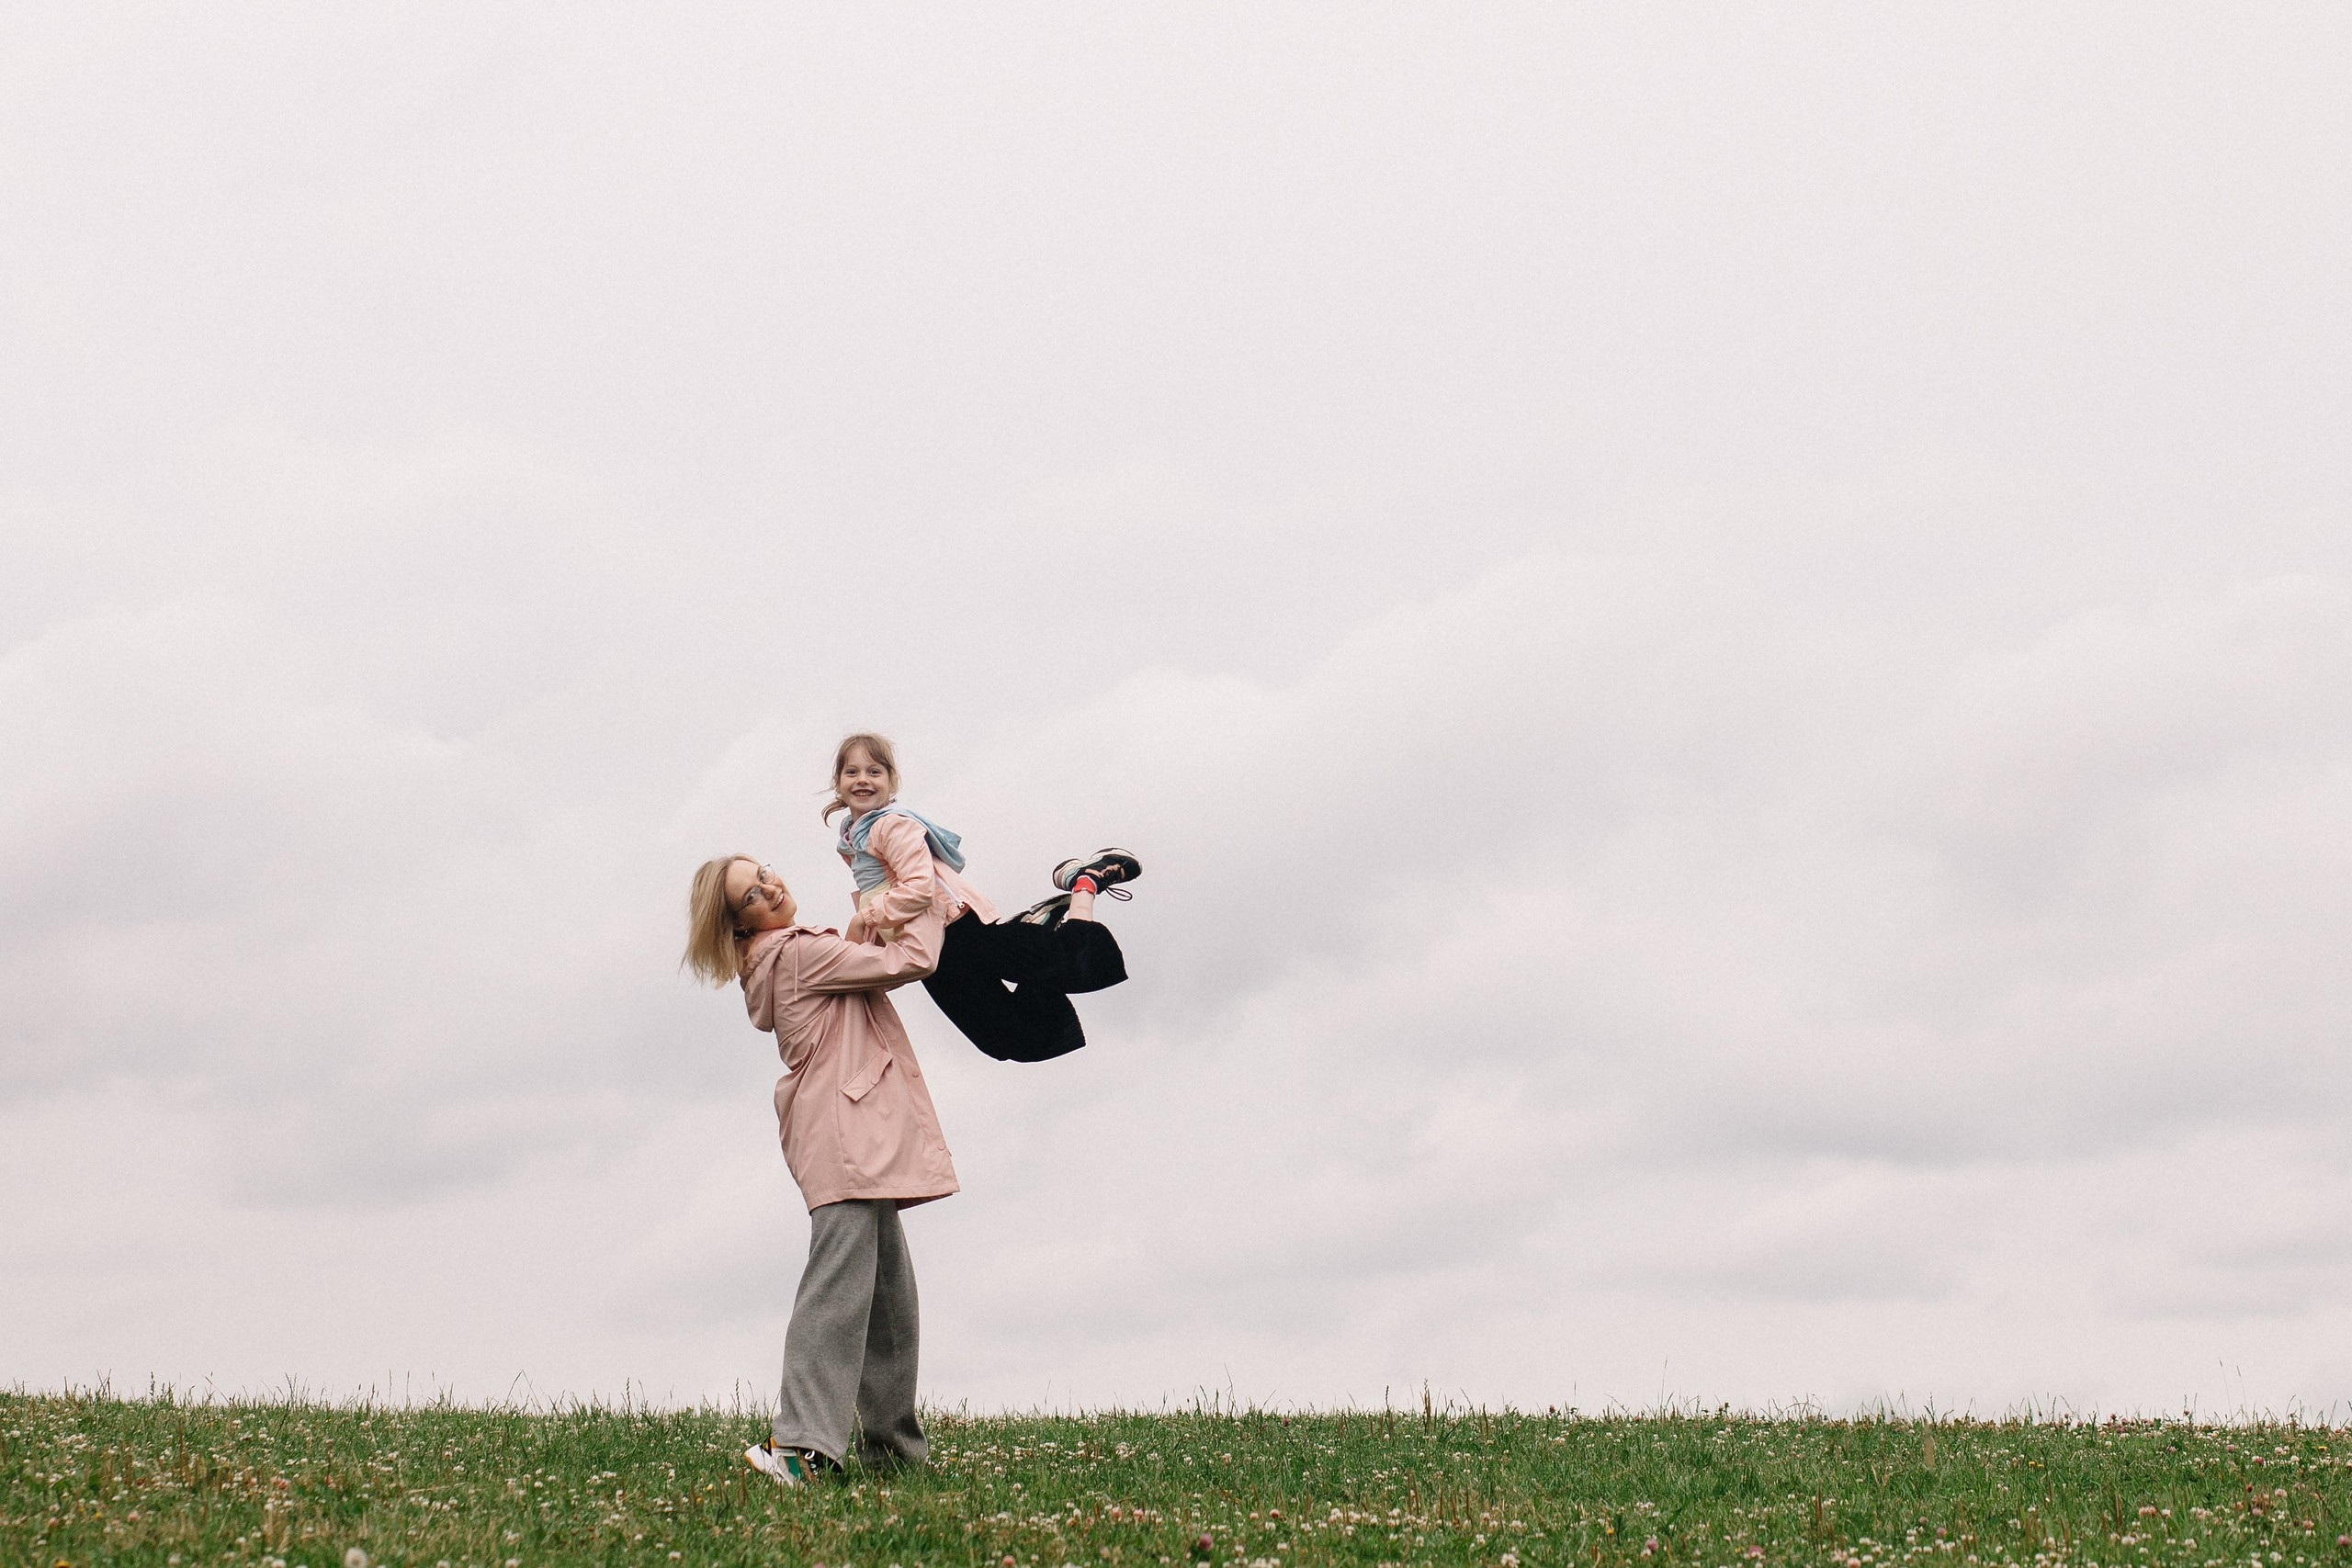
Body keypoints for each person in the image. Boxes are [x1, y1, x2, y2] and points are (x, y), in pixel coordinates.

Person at [683, 852, 955, 1485]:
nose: (771, 885)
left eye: (766, 873)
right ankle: (800, 1446)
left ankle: (892, 1451)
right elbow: (911, 959)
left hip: (850, 1132)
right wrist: (931, 901)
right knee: (836, 1290)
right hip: (845, 1136)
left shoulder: (789, 955)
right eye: (752, 893)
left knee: (890, 1302)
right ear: (740, 926)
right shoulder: (797, 954)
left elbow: (860, 952)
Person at [825, 731, 1139, 1064]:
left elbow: (918, 887)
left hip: (955, 929)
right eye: (852, 772)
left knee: (1076, 963)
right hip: (924, 949)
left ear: (891, 782)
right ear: (838, 782)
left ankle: (1085, 883)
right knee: (1007, 1039)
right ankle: (1034, 928)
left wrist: (865, 919)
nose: (863, 780)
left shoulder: (890, 826)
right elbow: (880, 895)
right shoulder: (851, 841)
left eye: (874, 772)